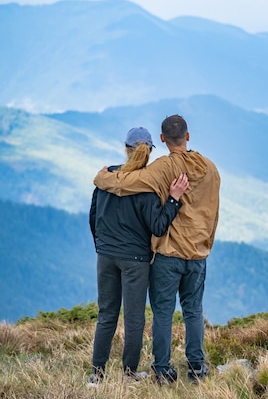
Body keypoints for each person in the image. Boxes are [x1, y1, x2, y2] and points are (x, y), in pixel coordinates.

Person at [93, 114, 220, 385]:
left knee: (162, 312)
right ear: (188, 136)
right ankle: (197, 369)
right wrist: (206, 243)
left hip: (168, 253)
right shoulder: (211, 169)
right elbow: (214, 213)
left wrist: (101, 179)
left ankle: (162, 370)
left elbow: (126, 183)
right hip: (198, 253)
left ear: (162, 139)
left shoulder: (164, 168)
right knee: (194, 310)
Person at [88, 127, 189, 386]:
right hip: (135, 260)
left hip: (106, 255)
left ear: (126, 148)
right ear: (149, 152)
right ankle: (129, 374)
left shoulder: (106, 176)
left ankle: (96, 376)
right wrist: (174, 201)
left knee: (106, 315)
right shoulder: (146, 185)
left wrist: (102, 245)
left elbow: (93, 216)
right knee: (133, 318)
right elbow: (157, 226)